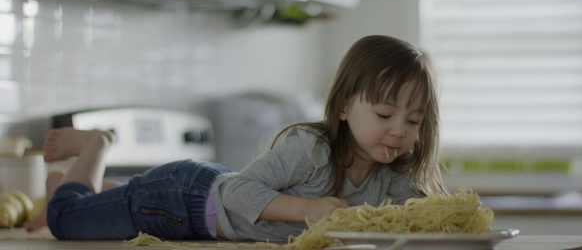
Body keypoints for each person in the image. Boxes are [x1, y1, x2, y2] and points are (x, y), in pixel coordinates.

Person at [31, 34, 447, 242]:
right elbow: (236, 192)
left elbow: (429, 221)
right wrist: (309, 209)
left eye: (413, 121)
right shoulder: (312, 148)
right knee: (64, 221)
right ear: (342, 106)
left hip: (193, 207)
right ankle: (94, 147)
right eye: (384, 114)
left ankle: (98, 191)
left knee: (102, 207)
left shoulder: (390, 172)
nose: (399, 131)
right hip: (181, 202)